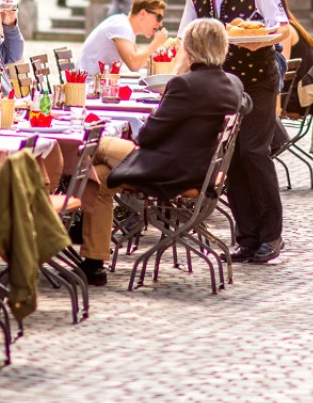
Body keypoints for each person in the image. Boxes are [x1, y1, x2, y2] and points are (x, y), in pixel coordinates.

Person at [64, 19, 243, 286]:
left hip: (170, 169)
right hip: (200, 168)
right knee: (98, 177)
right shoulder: (232, 83)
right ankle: (93, 264)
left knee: (93, 144)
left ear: (191, 51)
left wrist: (179, 73)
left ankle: (64, 208)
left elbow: (146, 137)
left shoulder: (185, 85)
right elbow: (245, 104)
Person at [181, 0, 286, 265]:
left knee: (254, 152)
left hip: (258, 79)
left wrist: (262, 40)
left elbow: (281, 28)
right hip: (222, 84)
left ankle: (271, 235)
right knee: (232, 159)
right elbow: (186, 35)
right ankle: (246, 237)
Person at [81, 0, 172, 72]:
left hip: (99, 83)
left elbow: (141, 63)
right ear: (143, 13)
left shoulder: (126, 27)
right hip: (89, 84)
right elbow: (134, 64)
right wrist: (156, 43)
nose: (160, 23)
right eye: (159, 17)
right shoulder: (121, 26)